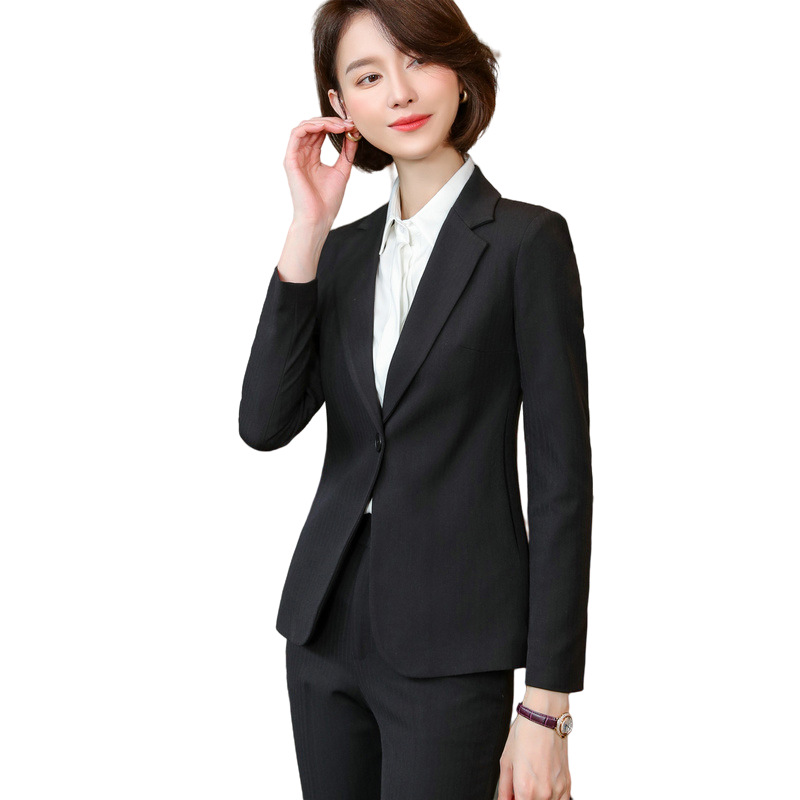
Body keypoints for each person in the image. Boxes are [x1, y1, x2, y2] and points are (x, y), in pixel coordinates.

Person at [238, 1, 592, 798]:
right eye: (368, 76)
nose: (399, 91)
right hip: (324, 625)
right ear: (340, 106)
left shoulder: (525, 243)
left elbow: (562, 482)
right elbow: (263, 423)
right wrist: (308, 227)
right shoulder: (340, 253)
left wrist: (547, 705)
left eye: (418, 60)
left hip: (454, 638)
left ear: (460, 71)